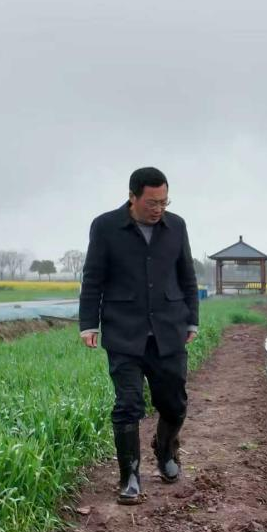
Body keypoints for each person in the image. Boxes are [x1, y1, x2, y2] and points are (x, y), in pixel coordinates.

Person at [78, 167, 200, 505]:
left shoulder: (177, 226)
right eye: (152, 202)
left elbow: (187, 276)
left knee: (174, 403)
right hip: (123, 331)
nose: (158, 209)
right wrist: (88, 324)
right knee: (128, 405)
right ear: (133, 197)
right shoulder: (105, 226)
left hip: (169, 330)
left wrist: (192, 321)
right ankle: (129, 476)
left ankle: (165, 451)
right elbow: (93, 278)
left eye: (164, 202)